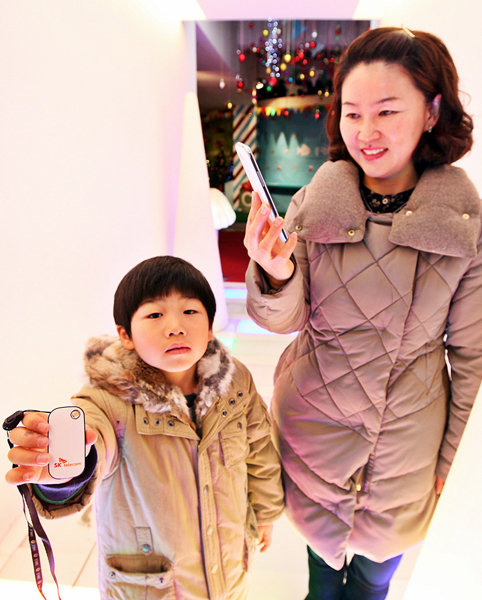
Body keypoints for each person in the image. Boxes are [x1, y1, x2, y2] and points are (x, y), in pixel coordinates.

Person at [243, 26, 482, 600]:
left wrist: (449, 463)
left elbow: (472, 358)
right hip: (312, 431)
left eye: (386, 112)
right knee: (321, 581)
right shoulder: (317, 200)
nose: (366, 132)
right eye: (352, 113)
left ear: (432, 111)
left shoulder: (463, 224)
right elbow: (286, 320)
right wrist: (275, 273)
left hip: (405, 447)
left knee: (373, 586)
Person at [5, 256, 284, 599]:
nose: (175, 327)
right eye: (155, 315)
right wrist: (62, 473)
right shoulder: (108, 400)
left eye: (190, 311)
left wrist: (266, 514)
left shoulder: (236, 383)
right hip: (149, 587)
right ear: (126, 335)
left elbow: (259, 450)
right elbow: (94, 443)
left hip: (229, 570)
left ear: (210, 327)